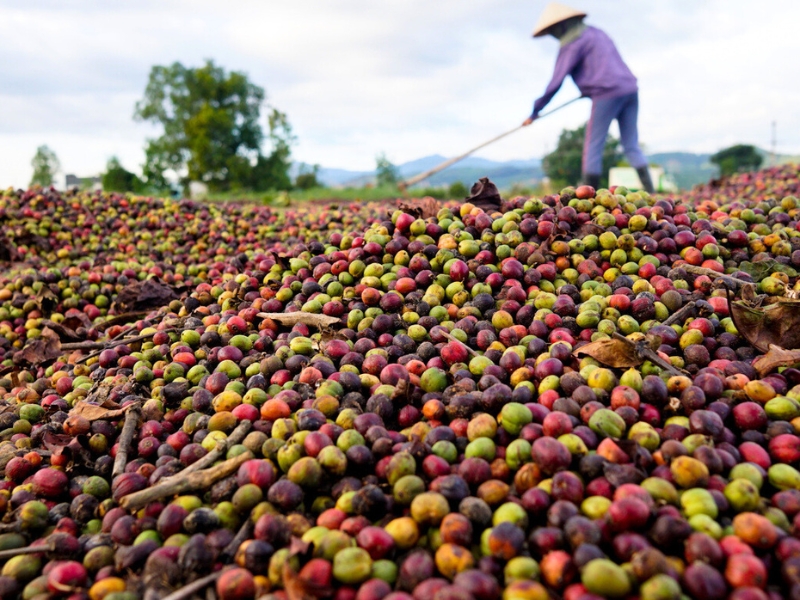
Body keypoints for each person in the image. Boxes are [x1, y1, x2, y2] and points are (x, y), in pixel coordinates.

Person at [522, 3, 654, 193]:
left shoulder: (572, 44)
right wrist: (587, 87)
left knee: (593, 146)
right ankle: (651, 191)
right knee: (631, 144)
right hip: (630, 89)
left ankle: (588, 195)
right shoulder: (597, 32)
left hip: (606, 93)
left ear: (561, 26)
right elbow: (606, 65)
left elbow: (556, 82)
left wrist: (535, 112)